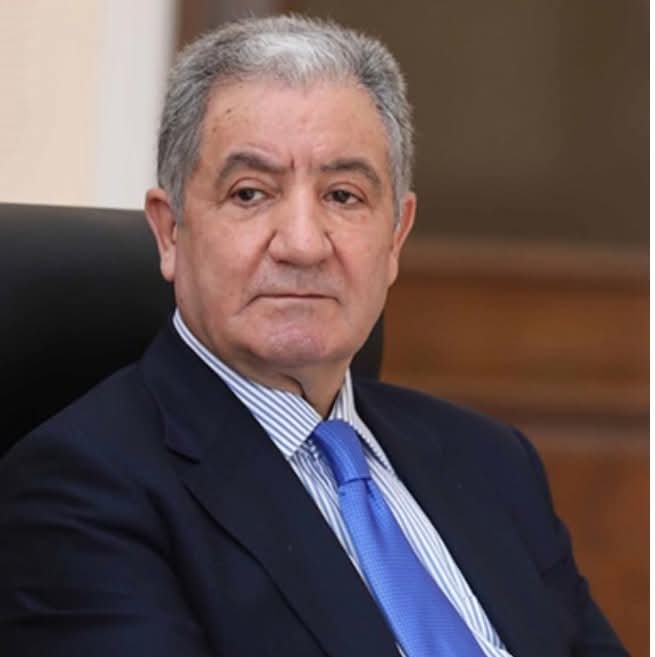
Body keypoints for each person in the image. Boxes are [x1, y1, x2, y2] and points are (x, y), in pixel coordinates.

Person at [0, 15, 627, 657]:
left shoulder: (491, 463)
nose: (303, 244)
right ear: (170, 231)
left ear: (396, 236)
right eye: (250, 193)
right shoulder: (80, 493)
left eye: (343, 196)